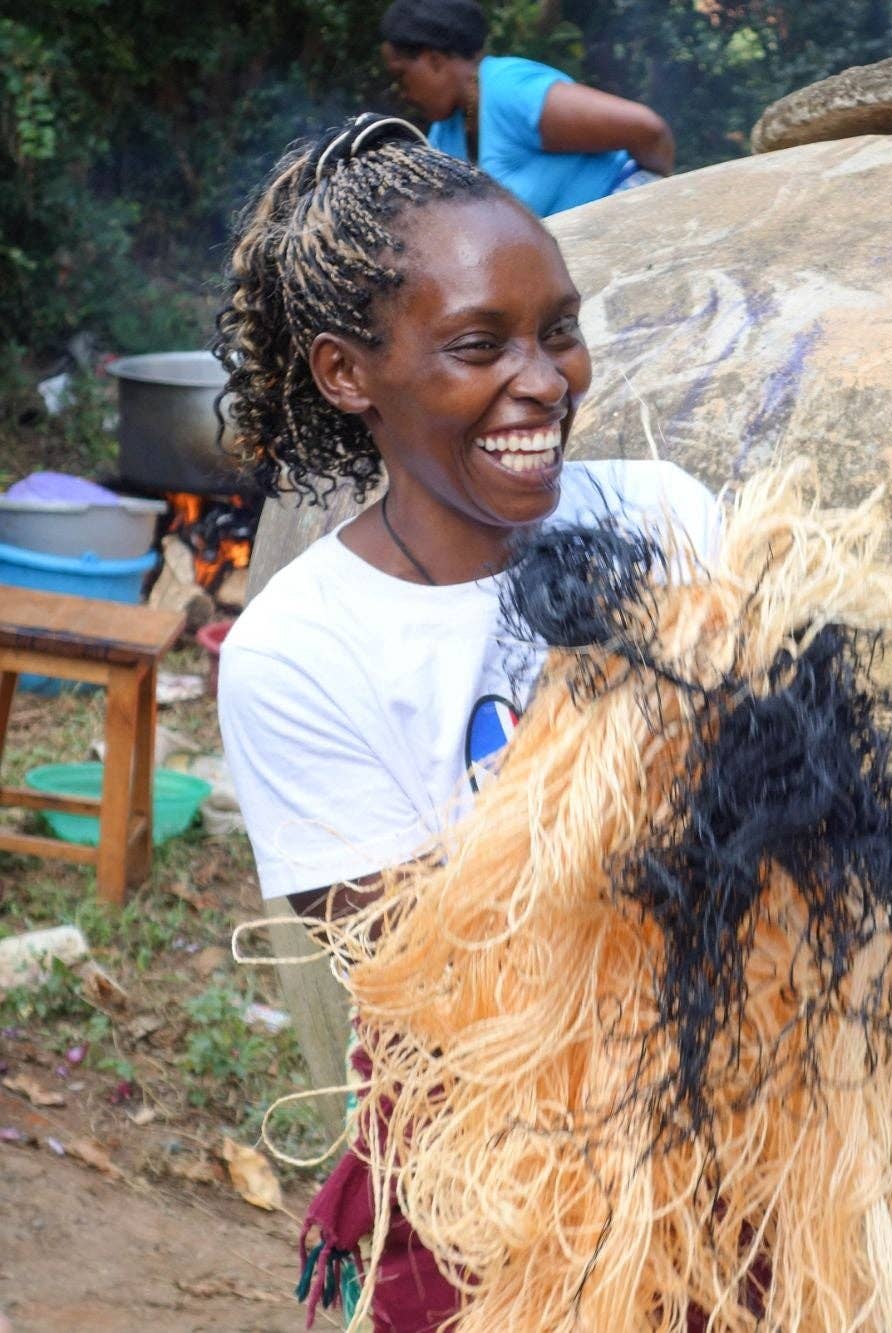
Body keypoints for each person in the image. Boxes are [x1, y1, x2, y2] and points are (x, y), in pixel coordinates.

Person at [211, 113, 715, 1329]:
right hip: (489, 1187)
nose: (543, 381)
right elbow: (434, 981)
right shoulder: (303, 648)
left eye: (559, 332)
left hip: (714, 1140)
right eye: (480, 344)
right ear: (347, 373)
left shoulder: (663, 518)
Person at [378, 0, 675, 217]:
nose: (402, 92)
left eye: (401, 76)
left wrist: (652, 209)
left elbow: (649, 131)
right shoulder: (446, 134)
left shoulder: (510, 91)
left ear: (434, 60)